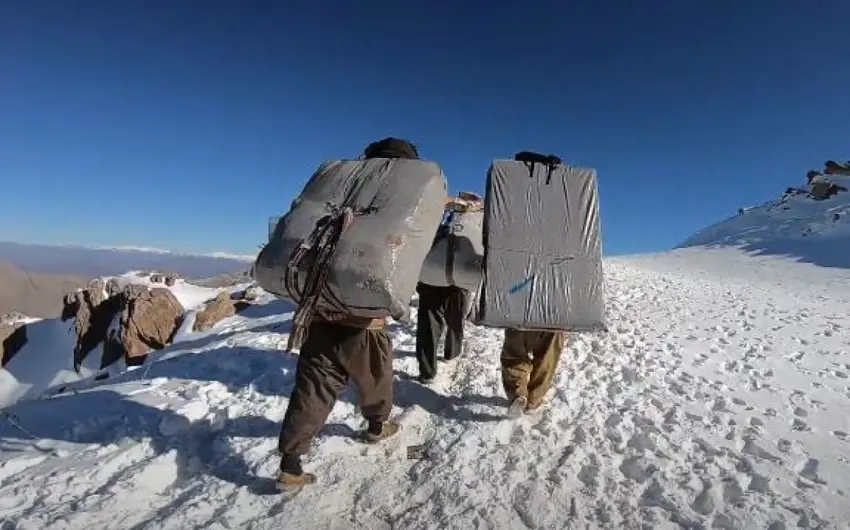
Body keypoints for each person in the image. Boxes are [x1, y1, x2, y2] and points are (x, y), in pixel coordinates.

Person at [275, 137, 419, 490]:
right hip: (363, 320)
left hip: (320, 310)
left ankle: (291, 465)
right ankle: (376, 427)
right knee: (376, 380)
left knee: (311, 390)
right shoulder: (400, 196)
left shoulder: (344, 185)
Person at [500, 328, 567, 415]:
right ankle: (534, 400)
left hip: (520, 317)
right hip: (555, 320)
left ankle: (518, 394)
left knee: (515, 352)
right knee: (547, 358)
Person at [414, 280, 468, 384]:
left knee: (429, 322)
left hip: (432, 275)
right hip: (459, 274)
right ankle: (453, 352)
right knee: (456, 314)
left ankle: (427, 371)